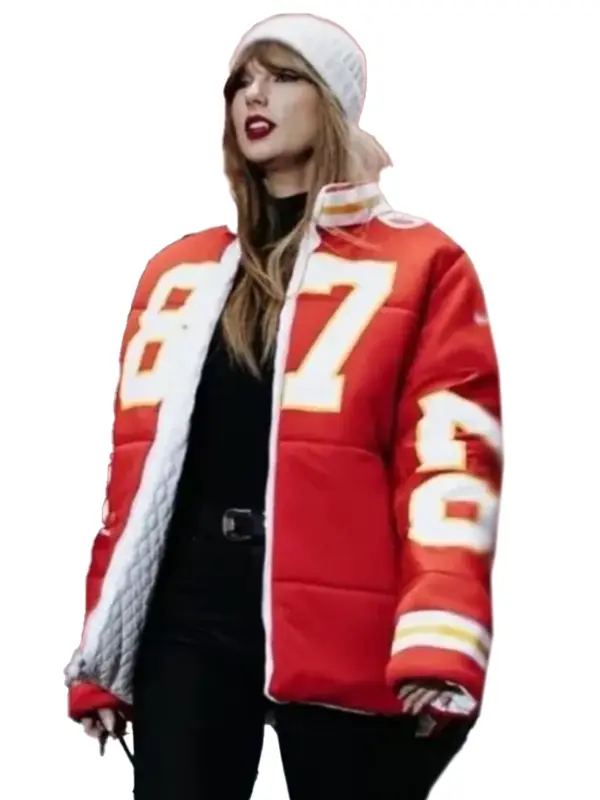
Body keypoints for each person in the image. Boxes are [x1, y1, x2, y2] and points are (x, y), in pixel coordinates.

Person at [64, 12, 503, 800]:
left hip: (347, 609)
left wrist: (441, 634)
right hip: (190, 611)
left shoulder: (422, 262)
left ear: (332, 102)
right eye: (241, 81)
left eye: (283, 76)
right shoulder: (180, 274)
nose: (253, 96)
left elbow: (451, 465)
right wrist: (106, 643)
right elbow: (133, 485)